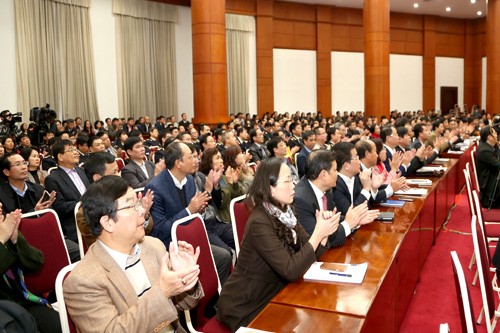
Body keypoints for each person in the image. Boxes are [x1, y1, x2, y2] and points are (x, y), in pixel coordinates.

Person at [63, 176, 203, 333]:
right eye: (132, 206)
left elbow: (187, 303)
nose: (143, 210)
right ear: (107, 222)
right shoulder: (82, 281)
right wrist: (162, 292)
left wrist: (185, 278)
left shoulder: (153, 246)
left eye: (139, 203)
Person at [217, 157, 340, 330]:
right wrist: (317, 234)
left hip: (276, 292)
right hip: (247, 304)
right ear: (270, 189)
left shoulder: (286, 211)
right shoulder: (259, 222)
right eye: (287, 181)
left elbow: (311, 254)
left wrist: (323, 234)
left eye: (293, 180)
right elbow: (291, 270)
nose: (294, 186)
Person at [146, 142, 232, 284]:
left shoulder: (190, 180)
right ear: (178, 163)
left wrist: (199, 208)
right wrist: (190, 210)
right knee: (222, 256)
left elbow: (193, 213)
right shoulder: (156, 188)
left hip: (192, 235)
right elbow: (160, 230)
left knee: (224, 256)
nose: (196, 160)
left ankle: (215, 298)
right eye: (191, 157)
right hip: (173, 245)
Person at [294, 149, 376, 248]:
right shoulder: (300, 200)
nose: (337, 174)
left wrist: (356, 219)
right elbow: (315, 241)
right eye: (335, 170)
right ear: (324, 175)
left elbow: (333, 219)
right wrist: (348, 224)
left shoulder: (326, 188)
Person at [0, 209, 62, 333]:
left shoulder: (4, 230)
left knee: (59, 326)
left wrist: (16, 241)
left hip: (23, 302)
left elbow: (36, 263)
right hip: (3, 313)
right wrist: (1, 241)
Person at [45, 139, 90, 243]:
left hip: (92, 217)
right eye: (71, 150)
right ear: (60, 157)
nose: (76, 152)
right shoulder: (53, 179)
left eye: (75, 149)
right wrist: (83, 203)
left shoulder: (81, 171)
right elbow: (59, 207)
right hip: (73, 225)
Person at [476, 125, 500, 208]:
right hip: (490, 190)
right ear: (489, 137)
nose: (497, 135)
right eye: (495, 133)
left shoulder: (489, 146)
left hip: (493, 179)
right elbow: (498, 165)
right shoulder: (485, 151)